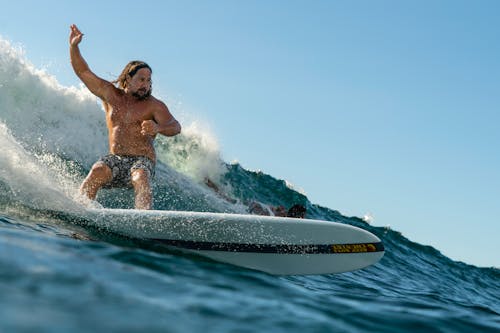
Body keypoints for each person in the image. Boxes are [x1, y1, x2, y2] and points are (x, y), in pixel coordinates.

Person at [69, 24, 181, 209]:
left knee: (140, 176)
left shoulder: (154, 105)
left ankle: (144, 219)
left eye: (149, 80)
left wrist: (158, 128)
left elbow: (175, 127)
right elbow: (83, 72)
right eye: (141, 80)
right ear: (128, 79)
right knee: (97, 171)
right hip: (117, 159)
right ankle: (80, 209)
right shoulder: (110, 95)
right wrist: (74, 47)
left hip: (141, 161)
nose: (146, 85)